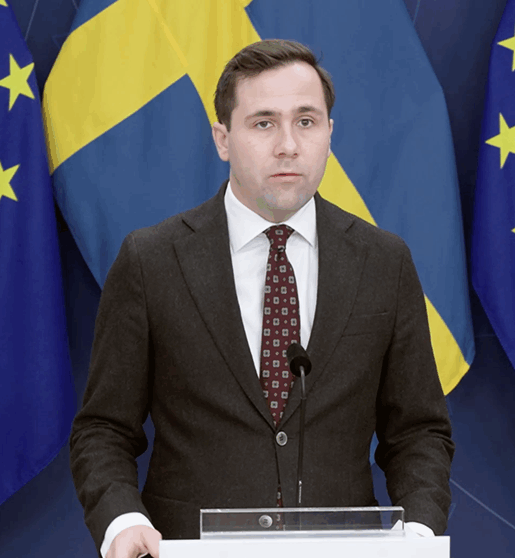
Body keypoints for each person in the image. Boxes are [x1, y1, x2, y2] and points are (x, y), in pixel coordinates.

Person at [69, 39, 454, 558]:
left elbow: (418, 431)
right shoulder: (152, 260)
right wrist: (122, 520)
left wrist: (420, 532)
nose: (288, 145)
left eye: (306, 121)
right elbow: (103, 428)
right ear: (222, 139)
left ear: (329, 134)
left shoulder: (383, 261)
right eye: (264, 123)